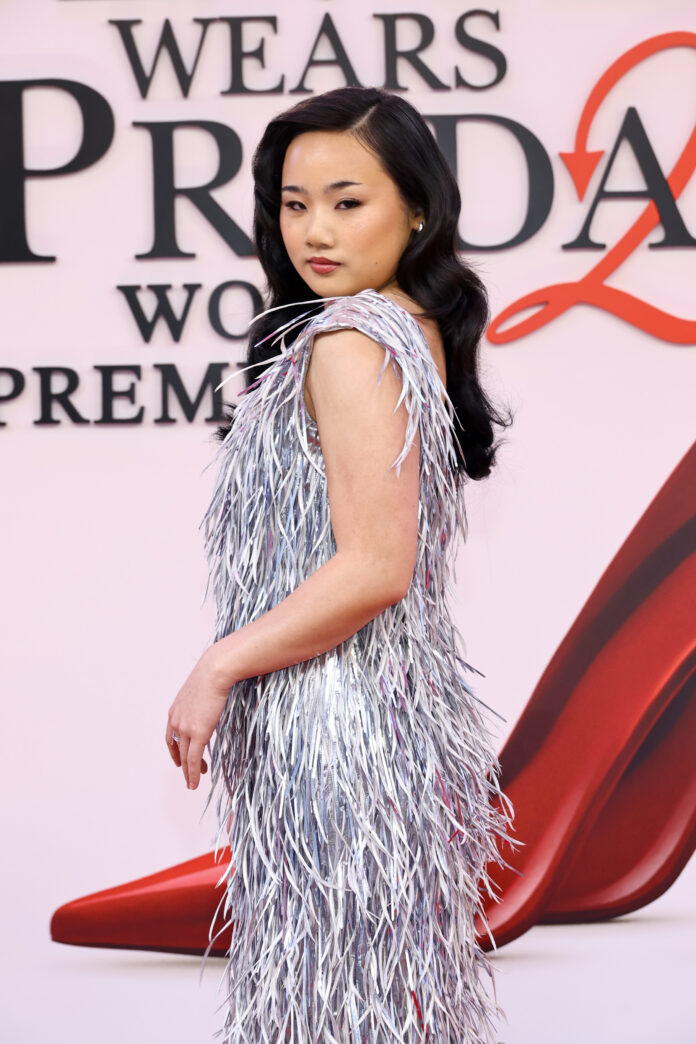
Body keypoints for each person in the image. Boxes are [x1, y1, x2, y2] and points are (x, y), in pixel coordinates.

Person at [165, 85, 518, 1043]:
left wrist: (218, 664)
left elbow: (374, 567)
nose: (314, 229)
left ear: (417, 208)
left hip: (340, 725)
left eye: (347, 200)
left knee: (332, 1010)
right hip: (385, 713)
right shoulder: (406, 326)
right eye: (293, 202)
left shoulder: (354, 341)